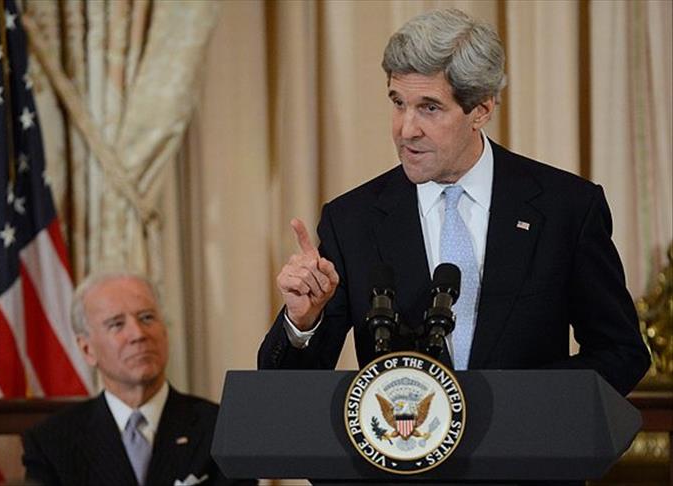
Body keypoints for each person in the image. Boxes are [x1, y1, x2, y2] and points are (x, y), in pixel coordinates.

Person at [258, 8, 650, 396]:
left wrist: (526, 407)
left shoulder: (566, 208)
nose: (406, 130)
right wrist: (302, 322)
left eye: (429, 107)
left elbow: (621, 353)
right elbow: (285, 390)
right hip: (403, 434)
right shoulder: (352, 222)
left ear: (481, 109)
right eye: (398, 103)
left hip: (526, 437)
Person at [22, 271, 251, 486]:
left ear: (165, 331)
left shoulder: (223, 430)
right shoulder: (51, 441)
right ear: (87, 349)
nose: (138, 334)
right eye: (117, 324)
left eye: (147, 318)